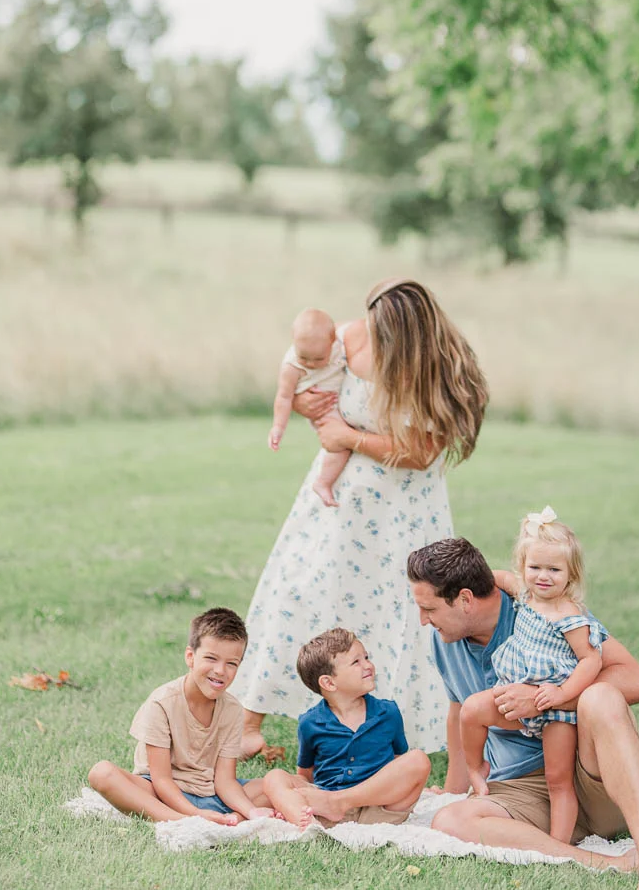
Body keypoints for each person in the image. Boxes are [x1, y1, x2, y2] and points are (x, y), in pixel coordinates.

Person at [234, 278, 488, 761]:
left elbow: (421, 453)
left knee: (394, 613)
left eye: (379, 329)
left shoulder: (430, 369)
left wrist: (347, 436)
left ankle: (383, 734)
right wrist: (307, 404)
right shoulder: (349, 338)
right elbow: (308, 378)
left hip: (402, 514)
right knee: (296, 592)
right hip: (337, 505)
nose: (366, 333)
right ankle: (249, 723)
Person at [407, 539, 639, 890]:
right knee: (449, 820)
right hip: (522, 793)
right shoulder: (444, 640)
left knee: (600, 696)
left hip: (588, 778)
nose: (422, 620)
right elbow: (459, 712)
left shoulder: (544, 610)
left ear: (464, 599)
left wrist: (545, 698)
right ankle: (608, 863)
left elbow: (637, 681)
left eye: (428, 608)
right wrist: (451, 791)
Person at [460, 507, 606, 843]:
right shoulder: (524, 594)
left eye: (554, 569)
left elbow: (590, 661)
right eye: (535, 567)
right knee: (471, 711)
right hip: (517, 696)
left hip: (552, 707)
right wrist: (467, 580)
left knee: (558, 781)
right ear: (523, 567)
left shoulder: (569, 616)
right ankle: (476, 769)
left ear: (571, 575)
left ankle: (557, 844)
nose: (543, 576)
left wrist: (561, 694)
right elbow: (494, 575)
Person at [86, 607, 272, 825]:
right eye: (211, 658)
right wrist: (196, 813)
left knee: (277, 784)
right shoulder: (162, 703)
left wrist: (251, 812)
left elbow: (225, 781)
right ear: (190, 657)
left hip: (209, 792)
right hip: (158, 790)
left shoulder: (232, 709)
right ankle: (182, 821)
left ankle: (225, 818)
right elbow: (162, 779)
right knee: (102, 773)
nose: (221, 670)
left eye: (231, 663)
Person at [261, 627, 431, 826]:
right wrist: (300, 798)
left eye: (366, 657)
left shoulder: (388, 713)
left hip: (380, 810)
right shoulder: (310, 723)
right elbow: (305, 775)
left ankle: (337, 803)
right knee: (274, 778)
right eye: (356, 662)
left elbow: (399, 762)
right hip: (327, 811)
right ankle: (302, 818)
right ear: (329, 683)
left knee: (418, 760)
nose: (368, 665)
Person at [267, 306, 351, 507]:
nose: (311, 364)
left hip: (340, 402)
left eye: (319, 359)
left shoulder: (343, 344)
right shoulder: (292, 366)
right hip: (326, 412)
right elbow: (284, 397)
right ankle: (323, 482)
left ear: (333, 341)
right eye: (304, 357)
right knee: (341, 446)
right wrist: (278, 427)